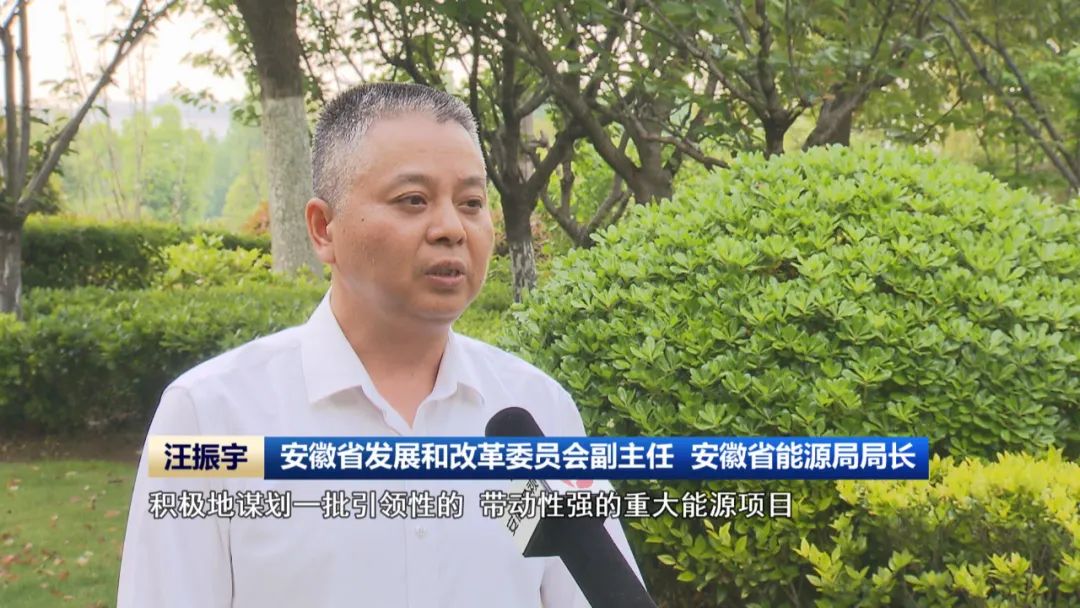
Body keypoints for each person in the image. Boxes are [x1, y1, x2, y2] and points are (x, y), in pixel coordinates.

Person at [117, 82, 643, 607]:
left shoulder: (535, 411)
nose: (451, 228)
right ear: (323, 228)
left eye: (471, 203)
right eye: (413, 200)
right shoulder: (212, 417)